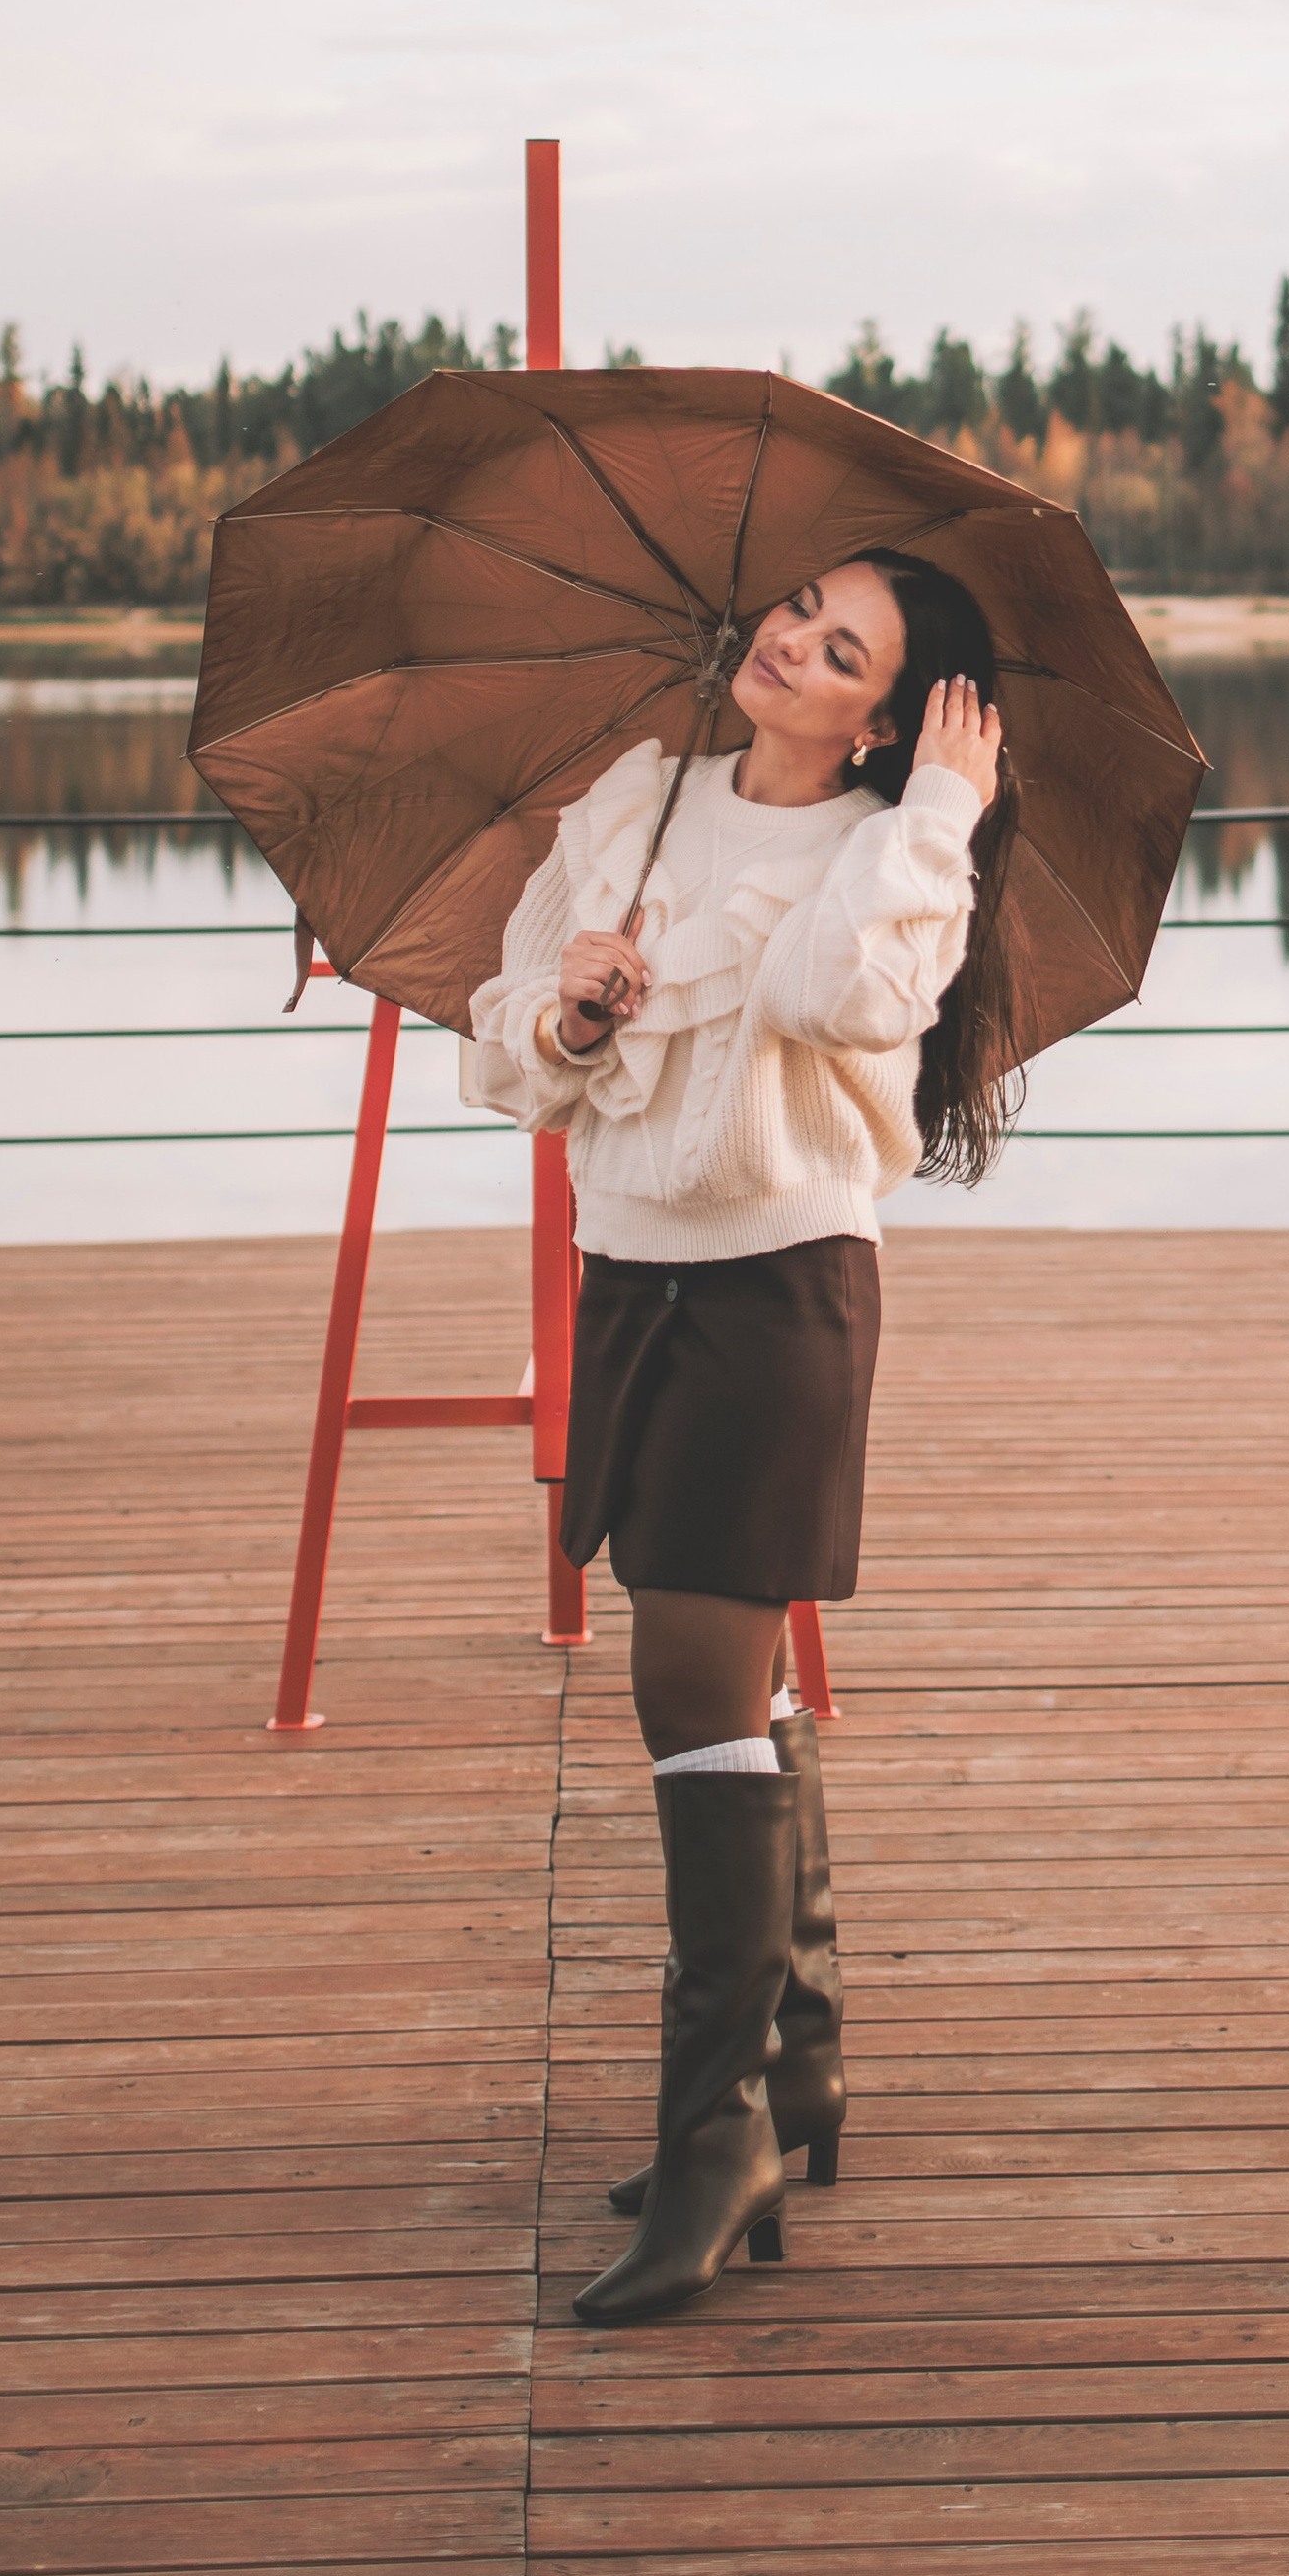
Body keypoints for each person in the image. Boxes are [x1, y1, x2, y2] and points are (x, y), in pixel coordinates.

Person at [466, 548, 1017, 2327]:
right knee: (740, 1679)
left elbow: (832, 1007)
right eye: (797, 611)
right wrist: (577, 1008)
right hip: (630, 1280)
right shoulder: (635, 805)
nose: (791, 644)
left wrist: (939, 809)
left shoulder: (886, 850)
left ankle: (714, 2143)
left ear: (883, 717)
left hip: (780, 1291)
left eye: (843, 649)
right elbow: (511, 1052)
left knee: (685, 1692)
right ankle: (799, 2068)